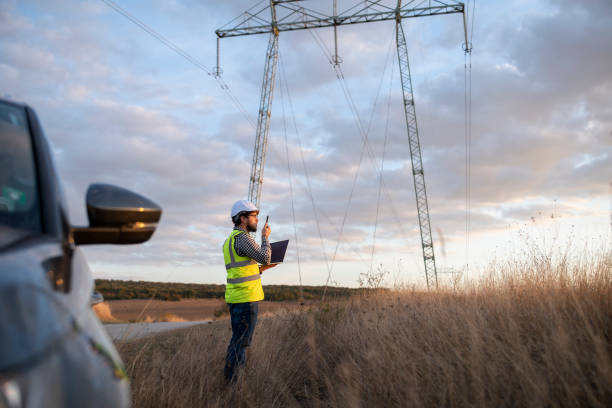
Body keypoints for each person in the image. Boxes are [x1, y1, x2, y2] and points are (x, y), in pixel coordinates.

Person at [222, 199, 276, 383]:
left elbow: (242, 269)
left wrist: (260, 269)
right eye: (254, 216)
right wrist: (265, 237)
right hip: (246, 299)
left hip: (237, 297)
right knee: (242, 343)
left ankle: (229, 381)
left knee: (237, 341)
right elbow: (265, 257)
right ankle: (233, 386)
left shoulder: (230, 240)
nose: (257, 220)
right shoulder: (243, 238)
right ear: (243, 218)